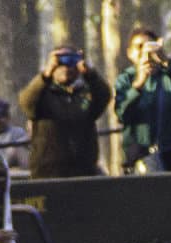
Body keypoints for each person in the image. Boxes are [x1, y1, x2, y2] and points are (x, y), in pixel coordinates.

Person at [20, 46, 114, 178]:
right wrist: (45, 75)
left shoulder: (85, 93)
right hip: (47, 170)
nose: (66, 67)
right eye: (60, 62)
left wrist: (90, 74)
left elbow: (104, 96)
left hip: (83, 169)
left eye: (71, 62)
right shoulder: (43, 94)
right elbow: (26, 102)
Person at [118, 28, 171, 171]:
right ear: (130, 53)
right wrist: (138, 85)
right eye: (139, 47)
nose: (145, 52)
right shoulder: (125, 79)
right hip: (139, 156)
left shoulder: (169, 75)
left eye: (149, 46)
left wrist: (164, 59)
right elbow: (122, 113)